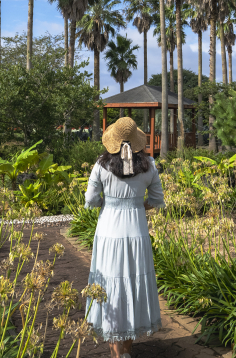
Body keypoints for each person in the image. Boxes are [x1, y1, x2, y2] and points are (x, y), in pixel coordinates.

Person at [84, 117, 165, 358]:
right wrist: (139, 206)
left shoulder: (101, 165)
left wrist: (106, 203)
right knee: (132, 284)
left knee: (110, 284)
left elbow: (90, 200)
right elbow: (157, 200)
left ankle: (115, 353)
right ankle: (126, 351)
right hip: (136, 231)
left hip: (109, 230)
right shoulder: (149, 164)